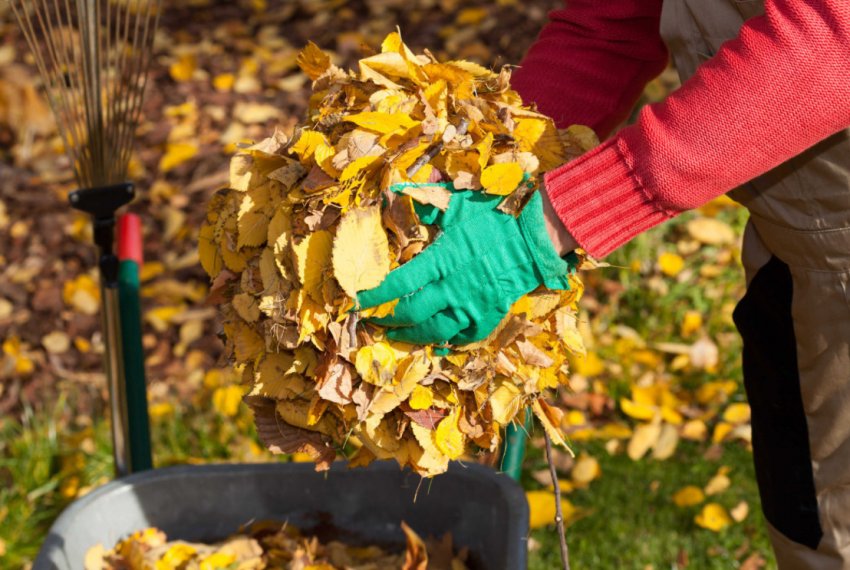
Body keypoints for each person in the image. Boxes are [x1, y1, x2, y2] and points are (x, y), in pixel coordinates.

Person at [358, 1, 850, 567]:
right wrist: (501, 159)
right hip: (801, 248)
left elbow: (833, 32)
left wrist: (548, 223)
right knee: (804, 515)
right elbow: (613, 21)